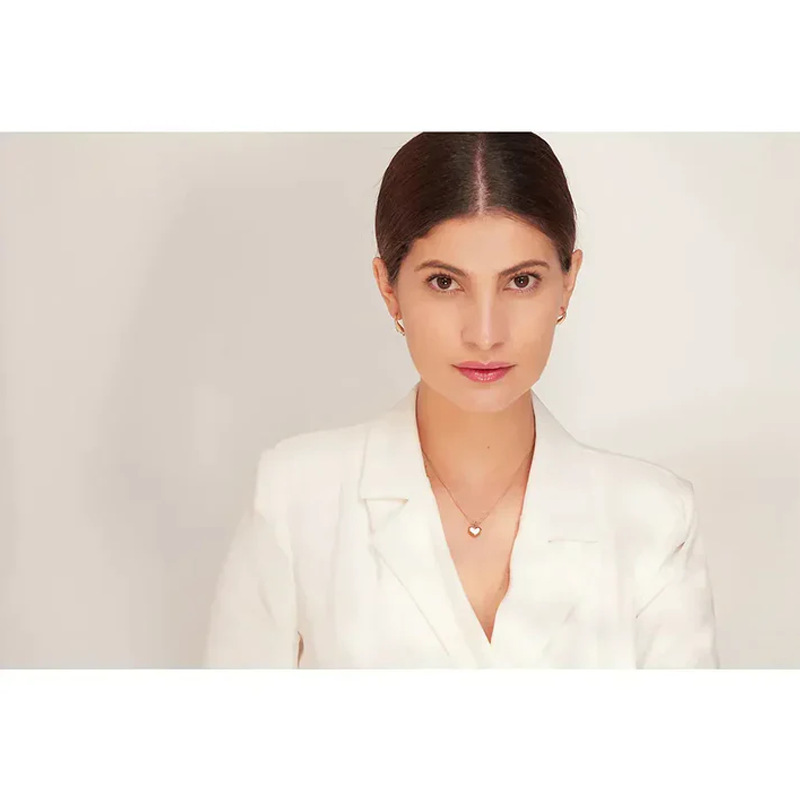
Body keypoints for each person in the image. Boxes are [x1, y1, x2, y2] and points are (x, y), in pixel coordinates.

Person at [203, 132, 719, 669]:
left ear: (567, 284)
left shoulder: (654, 520)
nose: (485, 334)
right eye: (445, 283)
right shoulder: (295, 501)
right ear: (388, 288)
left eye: (521, 280)